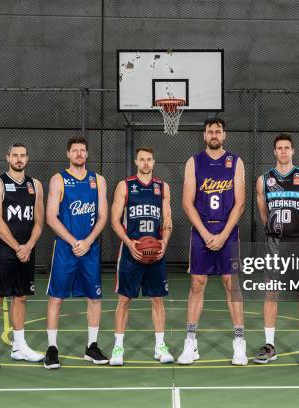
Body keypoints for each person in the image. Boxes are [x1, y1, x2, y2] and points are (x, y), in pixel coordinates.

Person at [176, 118, 248, 366]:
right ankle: (190, 342)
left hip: (228, 232)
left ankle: (239, 342)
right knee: (197, 284)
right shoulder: (193, 162)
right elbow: (187, 202)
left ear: (224, 135)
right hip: (201, 231)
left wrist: (224, 234)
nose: (214, 134)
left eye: (218, 131)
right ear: (204, 135)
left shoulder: (236, 162)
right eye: (210, 131)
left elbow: (239, 203)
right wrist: (206, 235)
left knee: (232, 284)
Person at [253, 134, 299, 366]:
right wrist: (274, 230)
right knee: (272, 292)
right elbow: (263, 212)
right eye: (279, 148)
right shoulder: (264, 180)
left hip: (298, 242)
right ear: (274, 152)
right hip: (274, 243)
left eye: (287, 148)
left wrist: (297, 232)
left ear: (293, 151)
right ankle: (270, 345)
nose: (283, 152)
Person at [44, 137, 109, 369]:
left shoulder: (98, 180)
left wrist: (88, 241)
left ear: (87, 154)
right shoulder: (58, 180)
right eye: (75, 151)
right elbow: (51, 217)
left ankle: (92, 346)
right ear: (68, 154)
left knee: (95, 297)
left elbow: (103, 215)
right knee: (56, 297)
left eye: (83, 150)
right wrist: (74, 242)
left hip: (90, 249)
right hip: (66, 248)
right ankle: (52, 349)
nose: (79, 154)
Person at [0, 143, 45, 370]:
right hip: (5, 250)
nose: (19, 159)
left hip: (27, 249)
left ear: (27, 158)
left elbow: (39, 220)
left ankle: (19, 347)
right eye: (14, 155)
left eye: (22, 155)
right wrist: (17, 247)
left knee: (21, 297)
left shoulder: (35, 185)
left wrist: (28, 246)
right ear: (7, 157)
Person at [109, 147, 174, 365]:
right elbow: (115, 220)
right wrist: (129, 243)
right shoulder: (125, 186)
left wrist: (165, 241)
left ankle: (160, 346)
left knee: (157, 299)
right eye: (142, 159)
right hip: (131, 252)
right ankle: (118, 348)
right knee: (124, 299)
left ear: (154, 162)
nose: (145, 163)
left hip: (155, 252)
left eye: (149, 160)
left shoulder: (162, 187)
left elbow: (167, 220)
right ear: (136, 162)